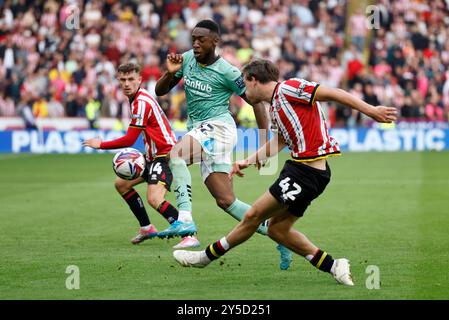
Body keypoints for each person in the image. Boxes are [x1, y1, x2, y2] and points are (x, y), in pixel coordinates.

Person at [173, 59, 398, 286]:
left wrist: (371, 111)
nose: (244, 91)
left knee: (253, 216)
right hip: (309, 172)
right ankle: (334, 265)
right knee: (278, 230)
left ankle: (204, 257)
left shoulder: (290, 88)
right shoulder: (277, 105)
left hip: (305, 172)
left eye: (245, 84)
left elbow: (333, 93)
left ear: (254, 80)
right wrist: (247, 161)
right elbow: (280, 141)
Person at [155, 20, 293, 270]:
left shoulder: (228, 72)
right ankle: (278, 235)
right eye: (193, 38)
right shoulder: (186, 60)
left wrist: (264, 143)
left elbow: (256, 102)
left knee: (175, 156)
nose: (195, 43)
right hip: (200, 131)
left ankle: (184, 218)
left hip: (219, 128)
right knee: (226, 200)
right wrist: (170, 72)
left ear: (215, 41)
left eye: (201, 39)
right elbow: (160, 91)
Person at [82, 62, 199, 249]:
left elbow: (130, 139)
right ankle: (147, 227)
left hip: (166, 155)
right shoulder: (136, 99)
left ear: (139, 80)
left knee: (154, 198)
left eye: (130, 79)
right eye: (122, 80)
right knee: (122, 184)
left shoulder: (141, 102)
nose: (126, 83)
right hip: (153, 155)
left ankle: (189, 234)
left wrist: (101, 144)